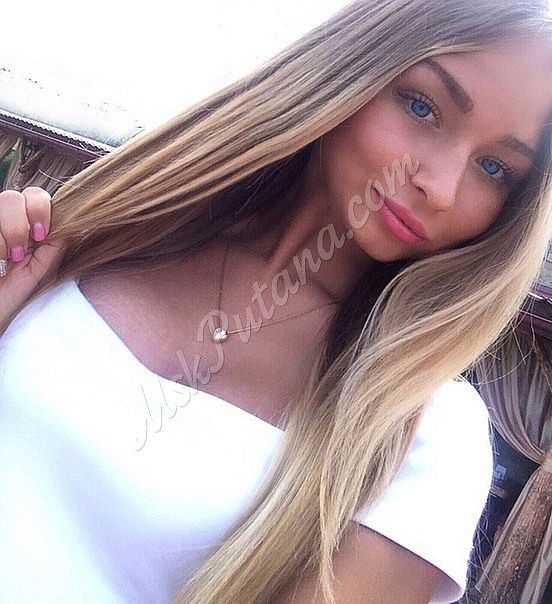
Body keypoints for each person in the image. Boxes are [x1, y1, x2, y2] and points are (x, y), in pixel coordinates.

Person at [1, 1, 552, 602]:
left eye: (494, 168)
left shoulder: (419, 432)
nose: (440, 188)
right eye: (423, 107)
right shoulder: (115, 228)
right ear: (349, 69)